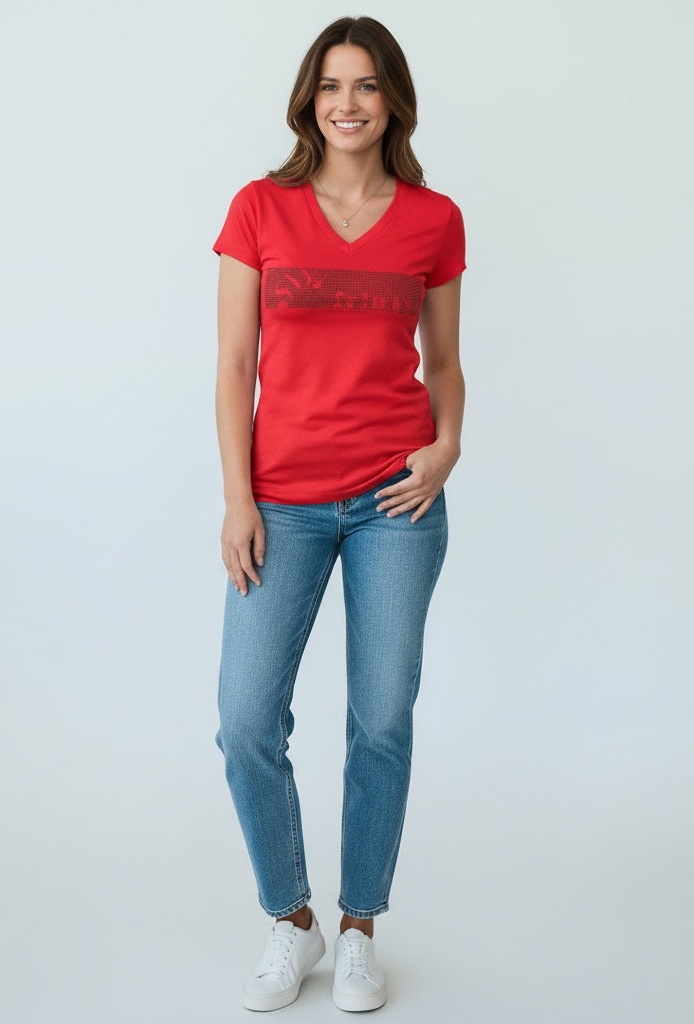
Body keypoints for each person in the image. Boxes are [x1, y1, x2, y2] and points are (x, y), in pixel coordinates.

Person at [212, 15, 466, 1013]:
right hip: (281, 501)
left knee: (382, 720)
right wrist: (238, 498)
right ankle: (293, 918)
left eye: (364, 85)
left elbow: (443, 364)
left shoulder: (434, 219)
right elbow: (234, 367)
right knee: (245, 722)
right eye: (330, 85)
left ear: (392, 100)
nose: (346, 104)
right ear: (307, 100)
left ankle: (359, 927)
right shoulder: (259, 209)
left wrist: (448, 444)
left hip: (396, 500)